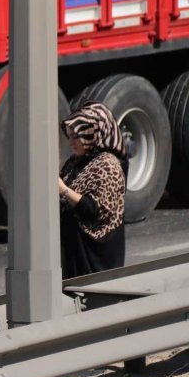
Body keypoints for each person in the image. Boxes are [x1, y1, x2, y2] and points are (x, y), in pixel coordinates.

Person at [58, 101, 128, 278]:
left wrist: (63, 189)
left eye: (76, 137)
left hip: (95, 257)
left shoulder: (108, 165)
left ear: (92, 134)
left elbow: (92, 210)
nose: (71, 143)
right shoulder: (75, 162)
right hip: (74, 252)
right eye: (70, 137)